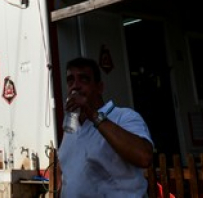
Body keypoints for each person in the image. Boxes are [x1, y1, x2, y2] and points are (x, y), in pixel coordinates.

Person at [57, 57, 154, 197]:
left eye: (83, 79)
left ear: (99, 87)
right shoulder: (71, 128)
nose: (75, 86)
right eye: (70, 80)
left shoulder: (123, 116)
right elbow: (67, 176)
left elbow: (144, 157)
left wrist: (93, 114)